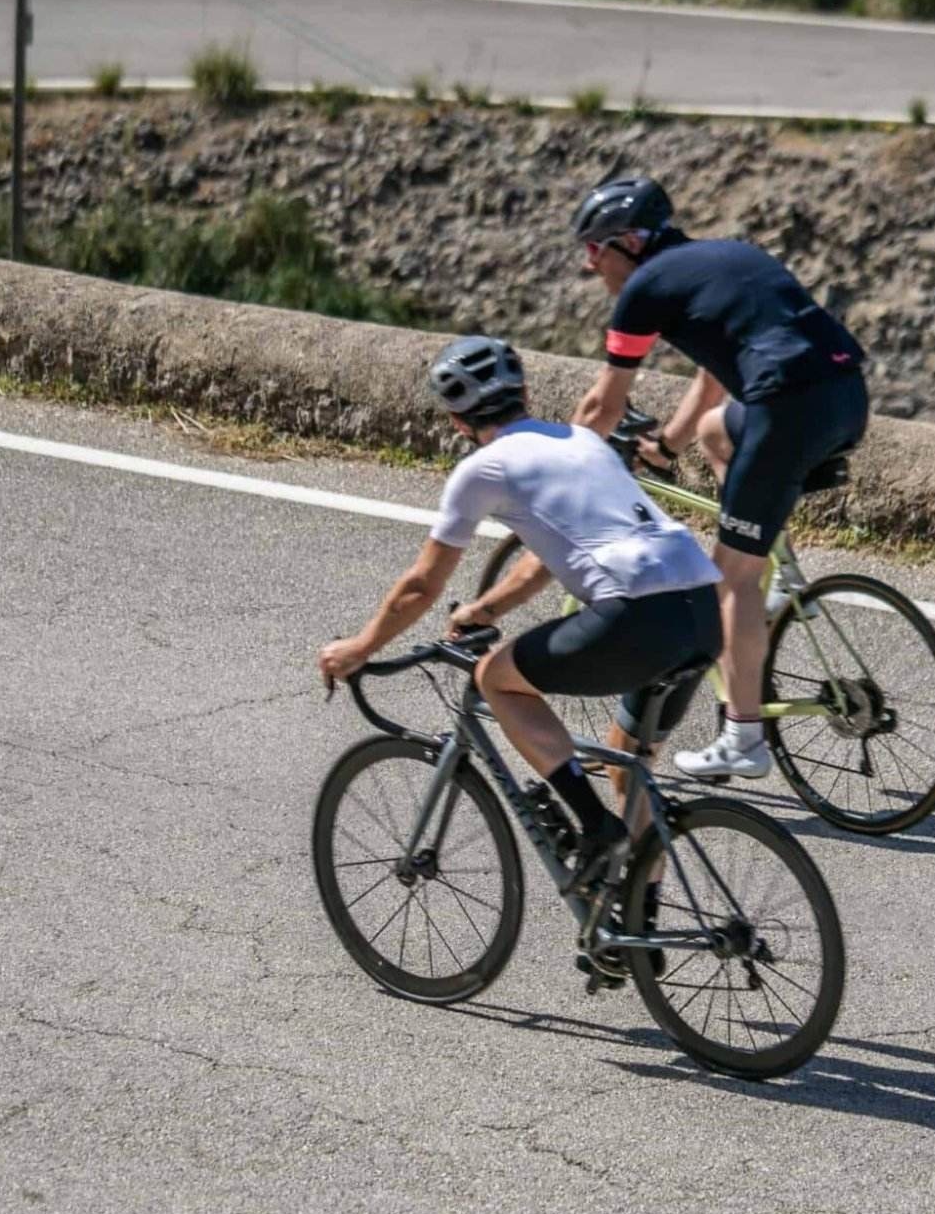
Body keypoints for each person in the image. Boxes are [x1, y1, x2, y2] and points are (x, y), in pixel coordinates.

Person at [317, 334, 722, 903]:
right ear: (525, 394)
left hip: (636, 613)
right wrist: (486, 609)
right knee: (628, 766)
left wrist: (359, 647)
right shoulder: (582, 440)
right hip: (703, 608)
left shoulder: (483, 470)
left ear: (457, 422)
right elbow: (545, 556)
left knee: (495, 678)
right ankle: (639, 924)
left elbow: (422, 586)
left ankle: (594, 827)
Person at [565, 175, 870, 782]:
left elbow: (603, 405)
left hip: (787, 409)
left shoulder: (645, 288)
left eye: (596, 248)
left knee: (728, 578)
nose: (590, 264)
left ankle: (743, 738)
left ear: (630, 242)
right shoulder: (721, 257)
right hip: (846, 396)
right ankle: (781, 572)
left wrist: (560, 469)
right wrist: (666, 446)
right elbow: (714, 376)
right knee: (715, 431)